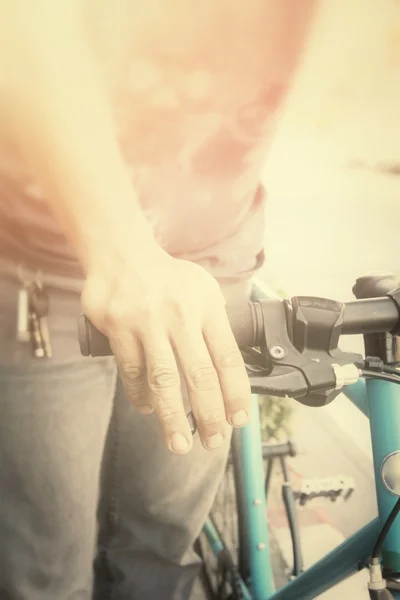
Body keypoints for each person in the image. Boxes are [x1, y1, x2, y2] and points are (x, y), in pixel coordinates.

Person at [0, 1, 316, 598]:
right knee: (44, 569)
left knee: (162, 545)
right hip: (42, 264)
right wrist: (120, 251)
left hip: (219, 254)